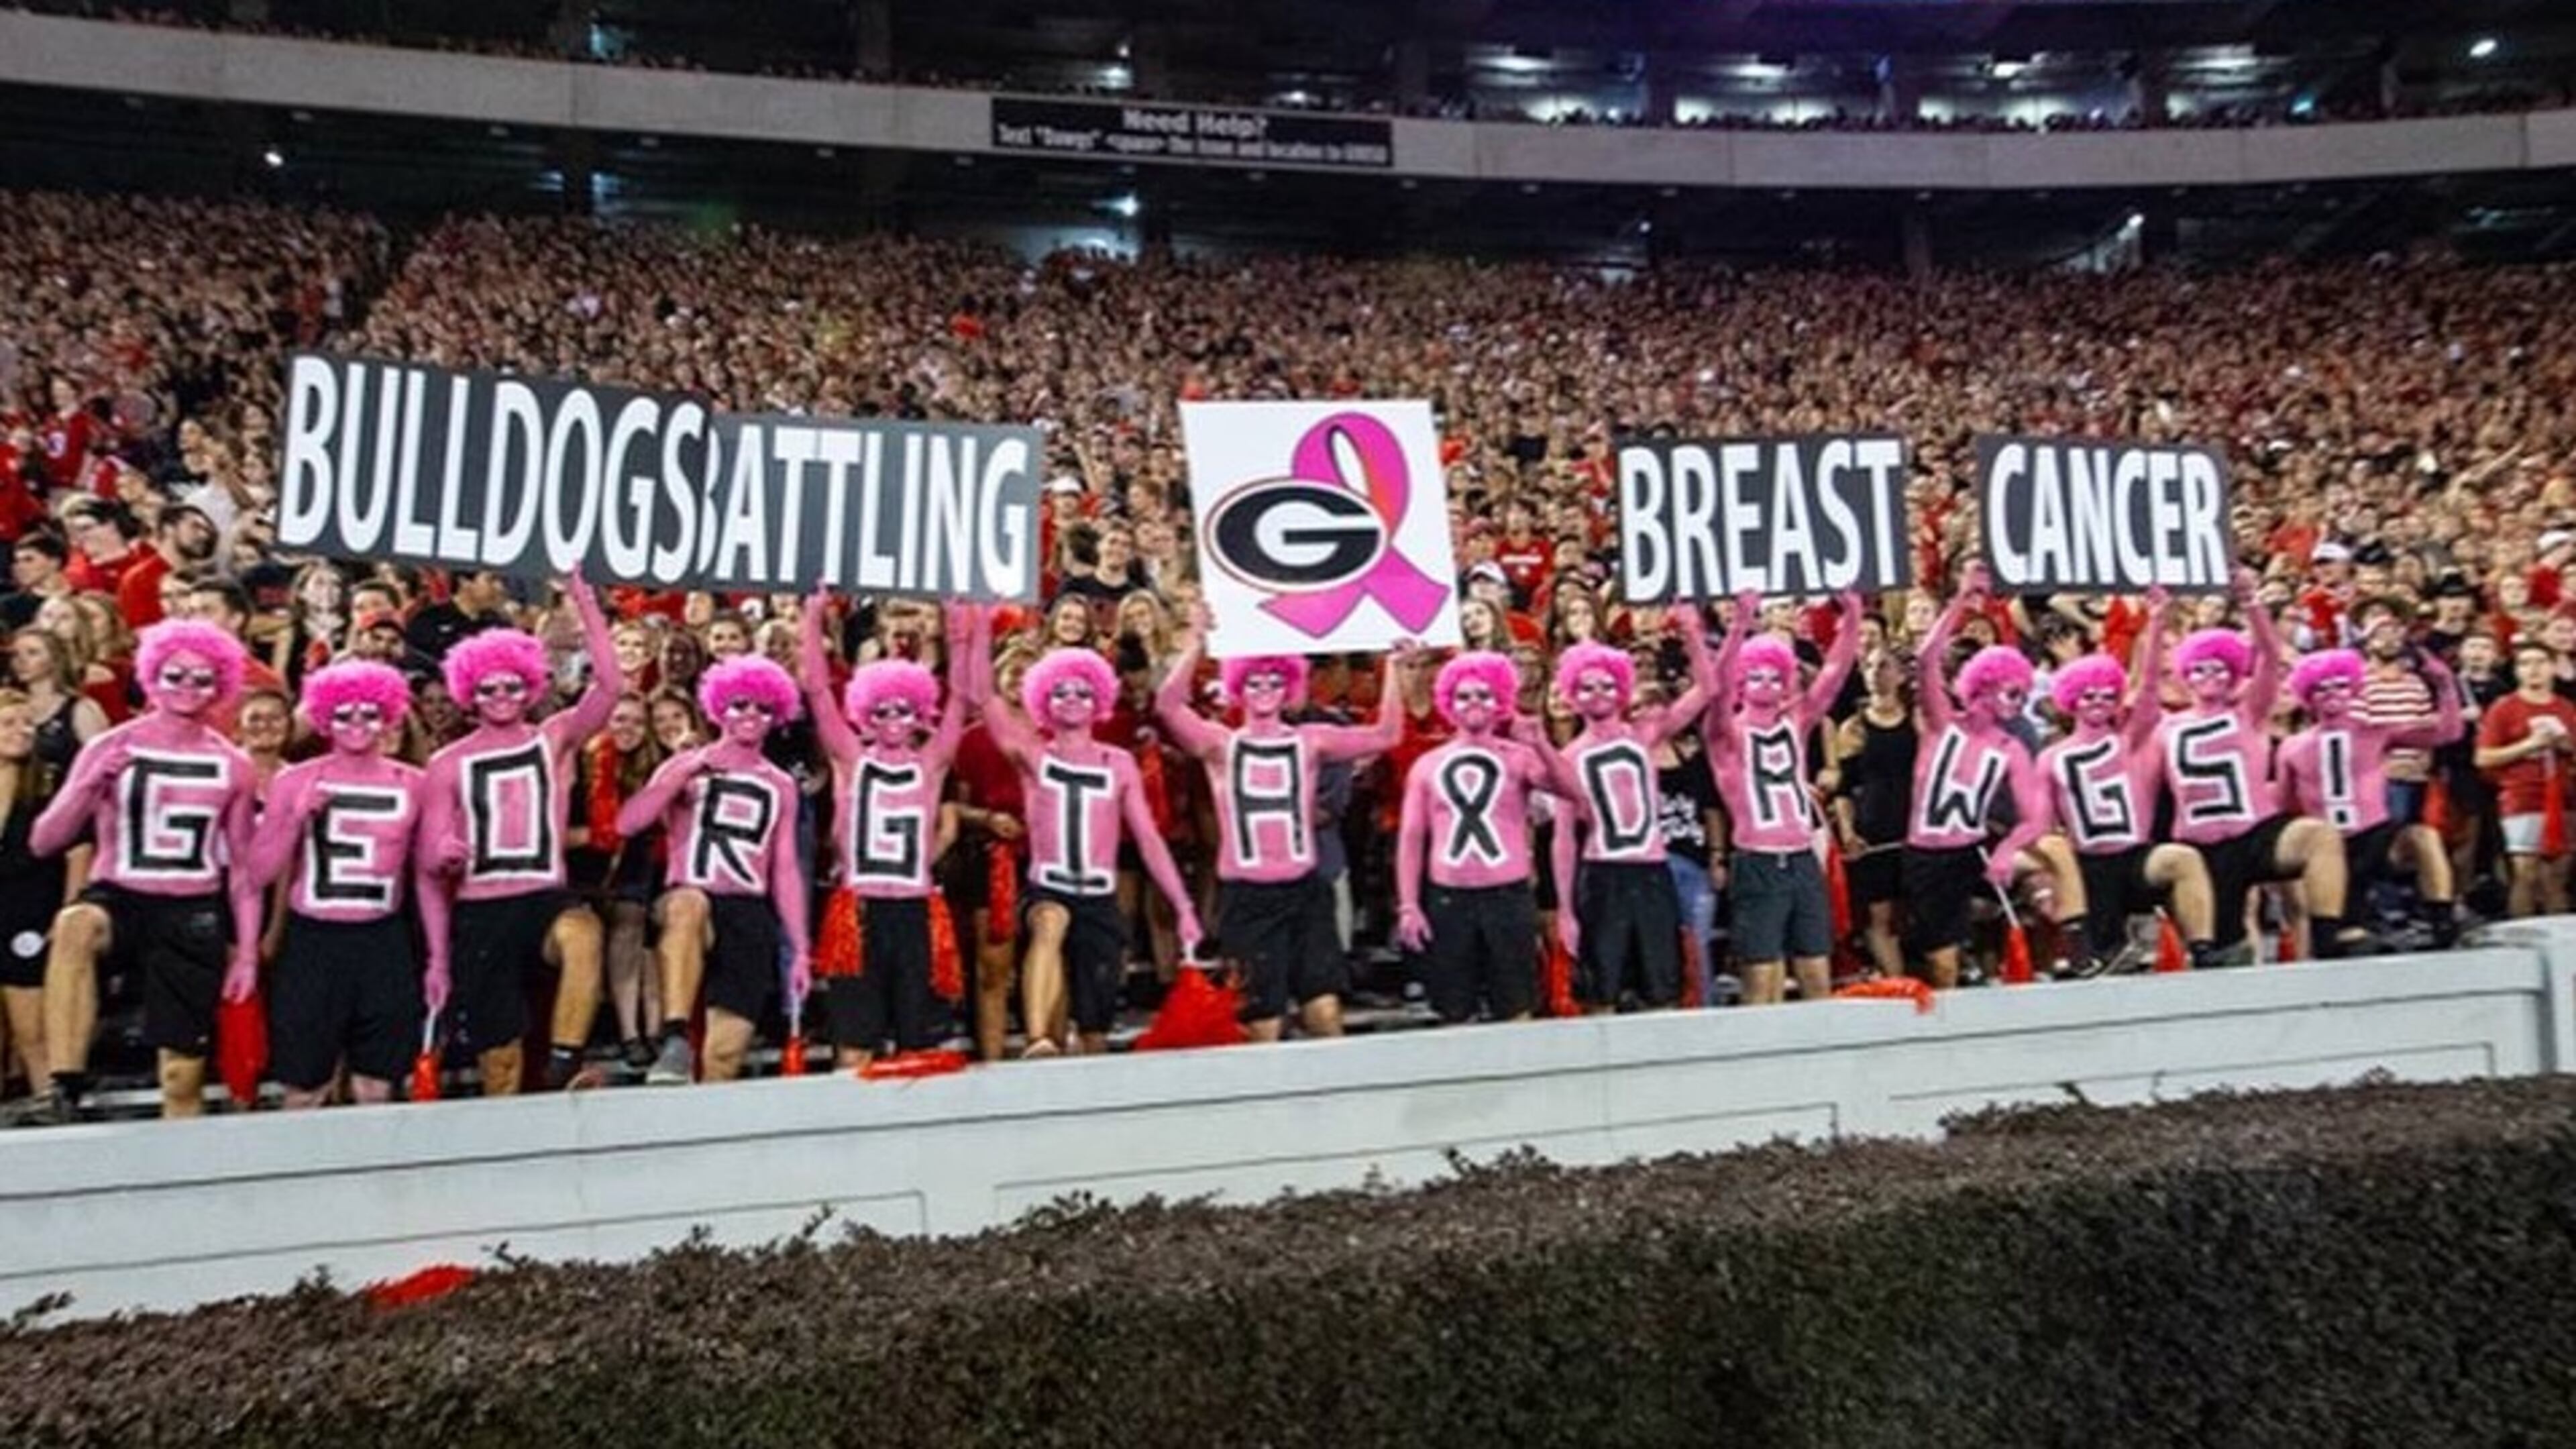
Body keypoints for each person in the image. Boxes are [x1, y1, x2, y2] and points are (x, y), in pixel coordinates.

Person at [27, 620, 260, 1122]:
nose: (187, 689)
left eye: (202, 679)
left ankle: (186, 1174)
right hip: (118, 894)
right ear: (154, 674)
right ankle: (62, 1083)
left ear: (220, 685)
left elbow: (242, 870)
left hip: (191, 907)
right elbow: (45, 840)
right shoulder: (109, 745)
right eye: (176, 675)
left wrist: (245, 954)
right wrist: (89, 784)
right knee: (74, 925)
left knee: (182, 1079)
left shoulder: (233, 764)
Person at [1155, 602, 1409, 1041]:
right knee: (1262, 1022)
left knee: (1325, 1013)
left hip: (1305, 891)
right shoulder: (1220, 746)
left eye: (1275, 681)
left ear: (1290, 686)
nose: (1266, 689)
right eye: (1255, 681)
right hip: (1248, 899)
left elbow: (1387, 735)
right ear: (1239, 687)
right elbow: (1168, 707)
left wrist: (1394, 668)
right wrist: (1197, 643)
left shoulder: (1310, 741)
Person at [415, 578, 622, 1096]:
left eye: (511, 685)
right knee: (501, 1067)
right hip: (481, 911)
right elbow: (429, 860)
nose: (502, 697)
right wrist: (445, 854)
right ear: (470, 694)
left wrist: (586, 603)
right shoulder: (446, 764)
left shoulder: (553, 737)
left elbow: (611, 688)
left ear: (529, 685)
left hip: (543, 896)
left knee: (585, 935)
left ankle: (562, 1063)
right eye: (489, 688)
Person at [965, 628, 1203, 1057]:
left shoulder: (1120, 763)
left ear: (1099, 701)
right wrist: (977, 629)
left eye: (1082, 691)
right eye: (1060, 691)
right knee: (1051, 922)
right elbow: (985, 698)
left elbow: (1149, 839)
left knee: (1095, 1032)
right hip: (1047, 889)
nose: (1072, 698)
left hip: (1100, 899)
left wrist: (1183, 905)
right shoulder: (1034, 755)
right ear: (1043, 702)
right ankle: (1038, 1038)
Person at [233, 661, 424, 1108]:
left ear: (386, 717)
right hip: (312, 941)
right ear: (324, 719)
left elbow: (431, 878)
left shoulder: (415, 783)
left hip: (383, 938)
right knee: (306, 1085)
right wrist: (296, 818)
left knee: (377, 1085)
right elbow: (257, 872)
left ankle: (375, 1177)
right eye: (344, 715)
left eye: (368, 714)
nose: (357, 725)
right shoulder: (294, 779)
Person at [800, 588, 972, 1070]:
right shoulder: (850, 758)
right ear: (865, 712)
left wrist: (959, 634)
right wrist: (812, 621)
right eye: (882, 711)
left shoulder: (933, 764)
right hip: (859, 911)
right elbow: (815, 692)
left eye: (903, 710)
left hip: (917, 912)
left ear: (919, 712)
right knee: (855, 1048)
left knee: (919, 1047)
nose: (894, 720)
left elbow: (960, 698)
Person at [2158, 568, 2368, 959]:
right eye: (2199, 669)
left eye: (2219, 668)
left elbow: (2271, 656)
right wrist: (2155, 624)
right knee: (2222, 950)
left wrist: (2252, 603)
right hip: (2200, 847)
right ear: (2185, 676)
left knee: (2319, 838)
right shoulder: (2166, 726)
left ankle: (2329, 939)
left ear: (2234, 673)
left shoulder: (2248, 713)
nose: (2210, 676)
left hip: (2254, 832)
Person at [621, 656, 812, 1085]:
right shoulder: (686, 764)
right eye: (741, 704)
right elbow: (628, 823)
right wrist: (681, 773)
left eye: (763, 708)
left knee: (725, 1055)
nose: (751, 716)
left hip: (749, 909)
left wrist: (798, 949)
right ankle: (674, 1037)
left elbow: (785, 869)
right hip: (691, 898)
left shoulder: (781, 785)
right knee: (689, 905)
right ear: (719, 706)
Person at [1539, 609, 1726, 1012]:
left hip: (1653, 871)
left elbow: (1707, 690)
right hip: (1602, 877)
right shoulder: (1569, 756)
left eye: (1607, 685)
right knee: (1600, 991)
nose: (1598, 694)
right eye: (1586, 687)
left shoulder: (1645, 733)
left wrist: (1693, 634)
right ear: (1571, 694)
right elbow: (1563, 841)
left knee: (1664, 988)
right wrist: (1567, 911)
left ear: (1622, 687)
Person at [2037, 596, 2224, 975]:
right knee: (2107, 960)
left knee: (2182, 860)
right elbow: (2043, 828)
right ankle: (2090, 953)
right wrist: (2046, 882)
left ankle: (2204, 951)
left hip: (2136, 857)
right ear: (2071, 700)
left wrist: (2154, 624)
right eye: (2089, 696)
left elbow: (2150, 685)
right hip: (2087, 865)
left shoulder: (2132, 741)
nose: (2099, 703)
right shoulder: (2051, 758)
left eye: (2108, 696)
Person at [1702, 590, 1863, 1006]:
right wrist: (1739, 626)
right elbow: (1716, 694)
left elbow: (1832, 677)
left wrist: (1854, 616)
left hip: (1801, 855)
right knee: (1763, 977)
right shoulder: (1729, 733)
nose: (1768, 685)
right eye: (1756, 676)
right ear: (1742, 680)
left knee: (1816, 969)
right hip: (1756, 860)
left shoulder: (1796, 720)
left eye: (1775, 677)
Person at [1902, 566, 2057, 989]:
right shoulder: (1941, 724)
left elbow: (2036, 818)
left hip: (1974, 847)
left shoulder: (2010, 749)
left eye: (2023, 696)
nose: (2018, 703)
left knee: (2043, 875)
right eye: (2012, 693)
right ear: (1983, 687)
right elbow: (1929, 657)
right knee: (1942, 964)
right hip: (1928, 855)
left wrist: (2007, 850)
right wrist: (1960, 601)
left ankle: (2058, 959)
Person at [1393, 651, 1565, 1024]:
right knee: (1453, 1009)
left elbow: (1573, 791)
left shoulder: (1520, 757)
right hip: (1448, 899)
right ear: (1449, 704)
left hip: (1508, 897)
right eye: (1464, 696)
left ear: (1500, 701)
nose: (1474, 703)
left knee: (1518, 1005)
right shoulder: (1427, 765)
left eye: (1484, 695)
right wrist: (1409, 905)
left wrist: (1542, 745)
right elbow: (1411, 839)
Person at [2279, 647, 2465, 947]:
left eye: (2340, 685)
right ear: (2307, 695)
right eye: (2321, 688)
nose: (2332, 694)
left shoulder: (2375, 731)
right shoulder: (2291, 746)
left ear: (2353, 689)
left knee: (2423, 837)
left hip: (2375, 834)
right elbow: (2284, 806)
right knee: (2340, 938)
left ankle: (2442, 921)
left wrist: (2445, 687)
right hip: (2326, 848)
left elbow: (2448, 733)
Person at [0, 689, 84, 1096]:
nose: (21, 732)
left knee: (33, 1033)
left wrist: (68, 912)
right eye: (8, 724)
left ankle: (50, 1110)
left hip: (32, 916)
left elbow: (79, 851)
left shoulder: (52, 782)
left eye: (27, 723)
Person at [2474, 641, 2576, 918]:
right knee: (2526, 874)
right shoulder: (2504, 709)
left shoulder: (2567, 708)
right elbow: (2483, 757)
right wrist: (2529, 745)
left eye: (2541, 662)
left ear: (2554, 668)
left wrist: (2567, 747)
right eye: (2526, 664)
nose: (2534, 670)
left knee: (2557, 878)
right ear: (2517, 671)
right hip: (2522, 798)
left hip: (2565, 799)